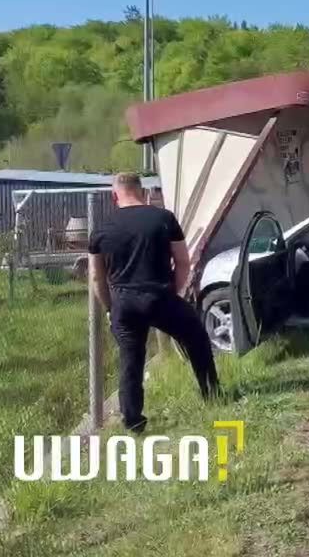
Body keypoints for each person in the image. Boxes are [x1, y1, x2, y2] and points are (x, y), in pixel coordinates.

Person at [89, 173, 219, 433]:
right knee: (196, 338)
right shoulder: (163, 218)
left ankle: (133, 422)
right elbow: (183, 261)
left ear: (115, 196)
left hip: (124, 302)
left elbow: (96, 276)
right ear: (143, 192)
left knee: (131, 359)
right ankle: (213, 396)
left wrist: (110, 308)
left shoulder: (101, 230)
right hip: (160, 296)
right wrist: (174, 292)